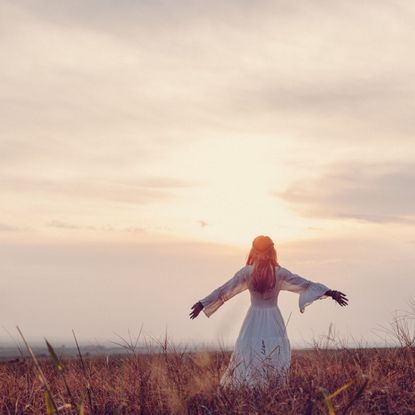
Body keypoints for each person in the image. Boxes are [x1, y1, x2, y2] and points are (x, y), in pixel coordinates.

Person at [189, 235, 348, 389]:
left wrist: (330, 292)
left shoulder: (278, 273)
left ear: (270, 252)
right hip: (259, 319)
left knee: (273, 351)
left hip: (268, 319)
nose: (263, 256)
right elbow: (225, 289)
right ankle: (251, 387)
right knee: (250, 350)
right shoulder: (249, 272)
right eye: (260, 252)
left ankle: (271, 386)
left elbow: (306, 284)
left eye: (265, 252)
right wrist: (203, 303)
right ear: (255, 252)